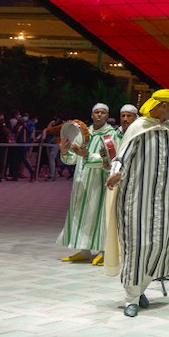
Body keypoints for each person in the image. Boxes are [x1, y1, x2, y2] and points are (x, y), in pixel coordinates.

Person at [103, 89, 169, 317]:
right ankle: (131, 298)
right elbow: (121, 158)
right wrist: (116, 173)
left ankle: (140, 289)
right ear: (164, 106)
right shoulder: (139, 129)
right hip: (135, 201)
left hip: (162, 204)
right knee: (136, 249)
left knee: (158, 248)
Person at [57, 103, 121, 265]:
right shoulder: (82, 132)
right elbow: (72, 158)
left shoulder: (111, 135)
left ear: (107, 116)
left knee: (100, 215)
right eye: (96, 112)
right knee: (80, 215)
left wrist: (87, 156)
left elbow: (112, 160)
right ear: (92, 115)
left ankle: (104, 252)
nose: (99, 115)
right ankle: (84, 251)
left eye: (103, 112)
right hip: (81, 181)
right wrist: (64, 151)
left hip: (100, 181)